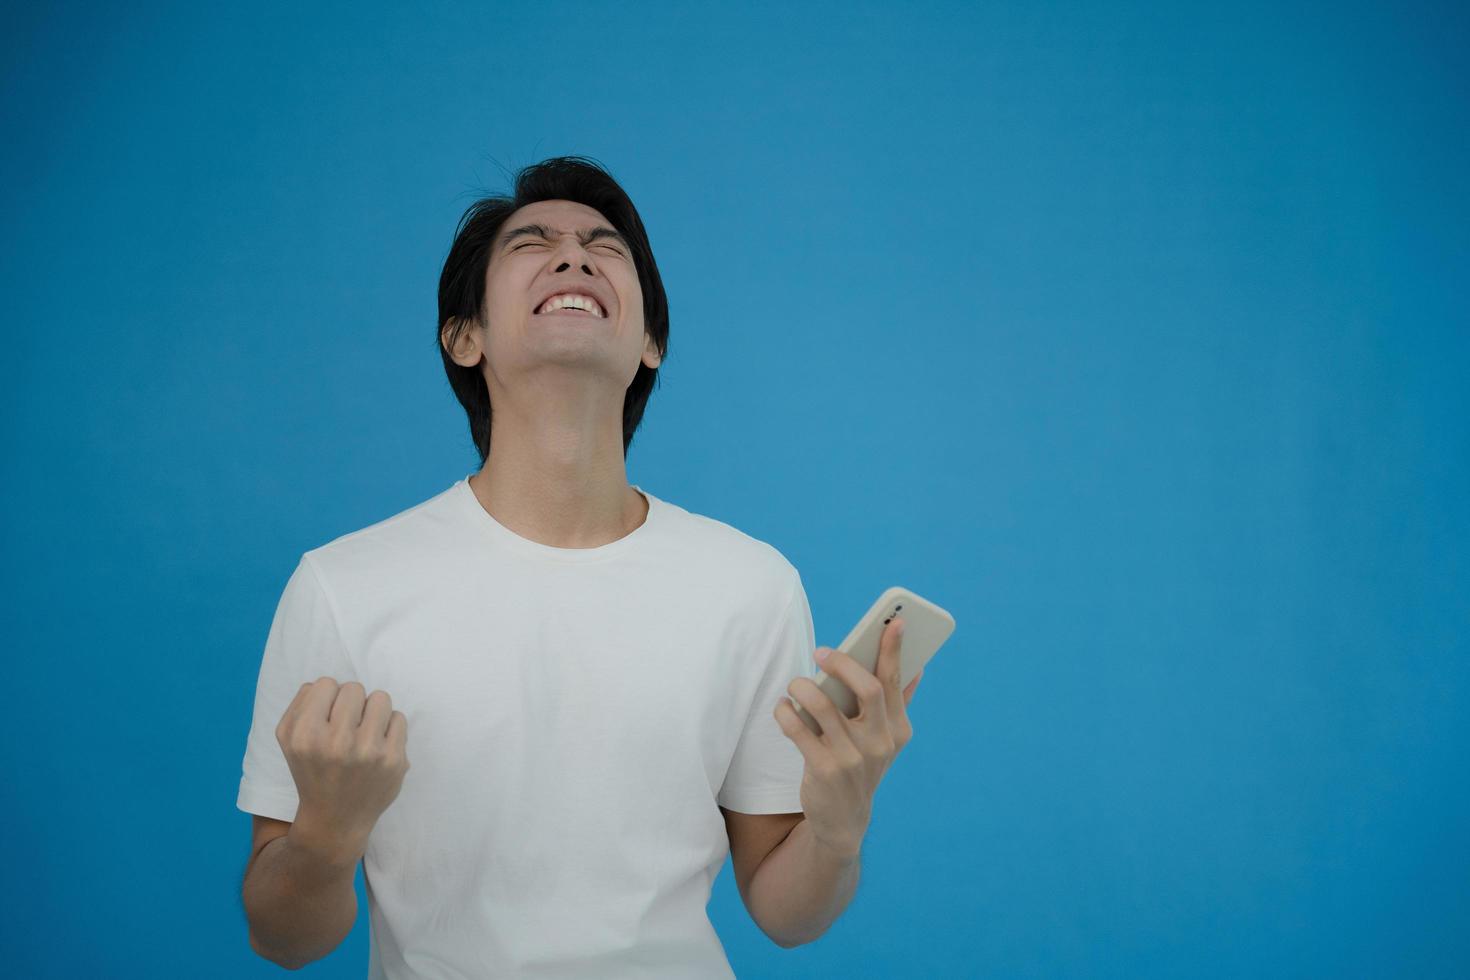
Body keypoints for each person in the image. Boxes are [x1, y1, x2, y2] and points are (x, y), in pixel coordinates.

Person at [236, 156, 826, 978]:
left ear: (650, 341)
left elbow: (786, 913)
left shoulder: (753, 586)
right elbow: (283, 937)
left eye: (602, 246)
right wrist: (328, 837)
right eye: (533, 242)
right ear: (464, 336)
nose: (575, 256)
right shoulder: (343, 588)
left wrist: (841, 818)